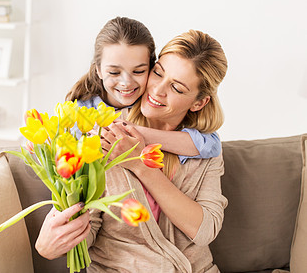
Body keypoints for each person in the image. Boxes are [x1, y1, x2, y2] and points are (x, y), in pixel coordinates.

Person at [36, 29, 228, 272]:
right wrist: (57, 239)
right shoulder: (104, 132)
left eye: (177, 88)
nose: (158, 90)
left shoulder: (204, 151)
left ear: (199, 102)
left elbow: (205, 231)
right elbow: (90, 224)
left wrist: (139, 164)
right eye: (158, 73)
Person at [66, 16, 221, 162]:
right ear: (98, 69)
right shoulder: (81, 112)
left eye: (139, 71)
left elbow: (211, 145)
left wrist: (135, 131)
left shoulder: (149, 103)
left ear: (151, 67)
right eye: (114, 72)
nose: (126, 83)